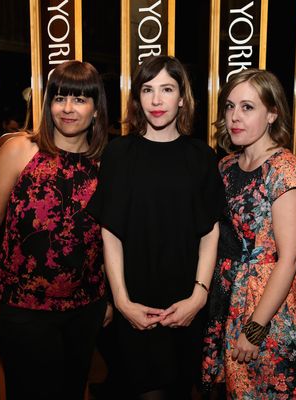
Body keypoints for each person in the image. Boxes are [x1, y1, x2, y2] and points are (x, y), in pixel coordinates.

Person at [86, 55, 224, 400]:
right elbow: (110, 232)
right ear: (137, 98)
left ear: (182, 98)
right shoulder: (118, 154)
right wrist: (122, 301)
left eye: (167, 89)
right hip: (136, 304)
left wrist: (199, 295)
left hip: (187, 303)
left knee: (180, 390)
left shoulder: (202, 157)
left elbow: (210, 232)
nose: (157, 100)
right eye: (148, 90)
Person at [0, 60, 110, 400]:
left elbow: (111, 238)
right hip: (23, 311)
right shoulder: (20, 150)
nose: (67, 108)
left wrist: (108, 298)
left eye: (79, 99)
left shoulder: (106, 162)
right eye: (60, 98)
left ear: (96, 109)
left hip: (85, 309)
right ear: (48, 104)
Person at [201, 68, 296, 398]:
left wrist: (255, 327)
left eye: (248, 107)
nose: (235, 117)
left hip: (267, 304)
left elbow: (290, 258)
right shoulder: (226, 165)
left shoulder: (284, 167)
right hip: (225, 295)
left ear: (273, 113)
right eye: (230, 106)